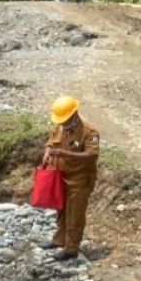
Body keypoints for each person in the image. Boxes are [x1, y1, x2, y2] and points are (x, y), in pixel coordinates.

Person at [41, 95, 99, 261]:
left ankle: (71, 249)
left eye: (64, 120)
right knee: (61, 210)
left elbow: (92, 154)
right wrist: (47, 152)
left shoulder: (89, 132)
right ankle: (59, 240)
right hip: (61, 177)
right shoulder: (60, 127)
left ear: (74, 115)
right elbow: (51, 142)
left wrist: (64, 153)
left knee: (75, 214)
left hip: (80, 180)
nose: (62, 123)